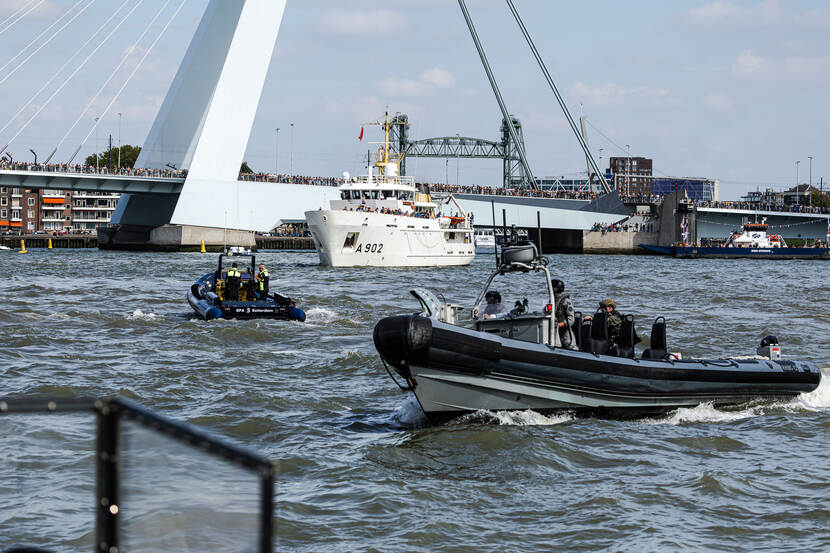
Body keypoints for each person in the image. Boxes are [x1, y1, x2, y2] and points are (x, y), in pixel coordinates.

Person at [551, 279, 576, 349]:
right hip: (555, 335)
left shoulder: (566, 301)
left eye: (551, 287)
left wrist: (557, 325)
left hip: (567, 338)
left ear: (555, 288)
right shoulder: (552, 300)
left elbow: (571, 320)